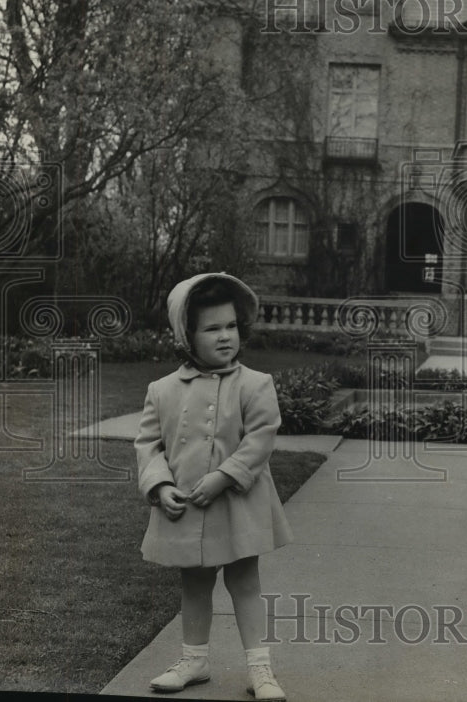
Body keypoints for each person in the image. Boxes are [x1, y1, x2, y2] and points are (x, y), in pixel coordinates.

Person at [135, 273, 292, 701]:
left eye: (231, 326)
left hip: (238, 503)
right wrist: (160, 485)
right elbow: (148, 444)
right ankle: (194, 659)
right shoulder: (162, 390)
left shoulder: (255, 384)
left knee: (244, 582)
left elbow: (261, 437)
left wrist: (225, 475)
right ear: (187, 336)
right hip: (186, 506)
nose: (225, 336)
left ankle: (260, 668)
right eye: (212, 328)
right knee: (195, 583)